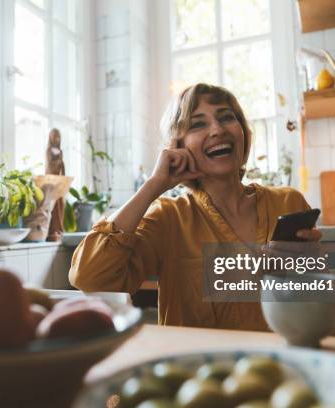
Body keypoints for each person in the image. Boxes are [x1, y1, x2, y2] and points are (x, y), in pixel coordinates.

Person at [69, 83, 322, 331]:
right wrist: (153, 185)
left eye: (227, 118)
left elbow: (330, 318)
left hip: (282, 368)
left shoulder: (288, 203)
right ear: (178, 147)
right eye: (198, 124)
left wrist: (306, 273)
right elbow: (90, 277)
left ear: (242, 133)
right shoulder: (168, 218)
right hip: (197, 369)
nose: (217, 129)